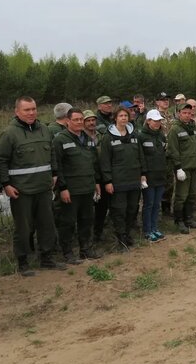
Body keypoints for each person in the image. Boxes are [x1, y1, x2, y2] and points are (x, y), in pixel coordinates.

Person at [0, 96, 64, 275]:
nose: (32, 112)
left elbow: (52, 155)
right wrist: (6, 185)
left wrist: (54, 174)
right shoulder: (9, 133)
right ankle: (23, 261)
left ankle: (46, 257)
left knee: (46, 225)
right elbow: (1, 161)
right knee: (24, 228)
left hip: (43, 188)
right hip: (21, 190)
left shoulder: (44, 130)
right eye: (27, 110)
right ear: (17, 112)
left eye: (33, 109)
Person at [52, 108, 102, 262]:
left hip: (87, 187)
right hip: (71, 190)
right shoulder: (60, 140)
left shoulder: (87, 139)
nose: (80, 122)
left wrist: (97, 182)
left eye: (81, 119)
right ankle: (67, 252)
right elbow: (57, 166)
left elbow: (94, 163)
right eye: (76, 120)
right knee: (67, 222)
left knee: (86, 220)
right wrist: (62, 188)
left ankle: (85, 249)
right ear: (68, 121)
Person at [99, 107, 147, 249]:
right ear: (115, 118)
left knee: (132, 208)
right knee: (119, 209)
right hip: (118, 181)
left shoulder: (134, 135)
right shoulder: (108, 137)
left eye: (125, 116)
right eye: (120, 116)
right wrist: (107, 181)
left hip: (134, 179)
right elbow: (105, 161)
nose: (124, 118)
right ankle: (120, 236)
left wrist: (143, 173)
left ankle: (127, 233)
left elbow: (141, 155)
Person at [167, 103, 196, 233]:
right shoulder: (175, 129)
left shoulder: (194, 128)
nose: (187, 115)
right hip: (183, 168)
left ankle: (189, 219)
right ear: (179, 113)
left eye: (189, 113)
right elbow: (173, 150)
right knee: (181, 196)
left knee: (192, 195)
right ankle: (179, 221)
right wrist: (178, 168)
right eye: (184, 113)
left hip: (195, 166)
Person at [138, 109, 167, 242]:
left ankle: (155, 228)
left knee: (156, 204)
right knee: (148, 203)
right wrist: (142, 174)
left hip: (160, 174)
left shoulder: (161, 136)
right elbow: (140, 157)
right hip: (148, 176)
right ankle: (147, 230)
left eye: (159, 121)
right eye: (155, 121)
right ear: (148, 121)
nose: (157, 123)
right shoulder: (141, 136)